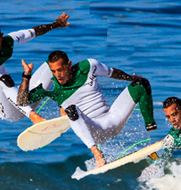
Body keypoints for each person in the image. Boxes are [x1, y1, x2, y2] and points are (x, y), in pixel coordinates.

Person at [16, 50, 156, 167]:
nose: (57, 75)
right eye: (53, 71)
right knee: (71, 109)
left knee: (141, 84)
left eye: (60, 70)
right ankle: (98, 155)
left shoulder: (89, 66)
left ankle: (153, 134)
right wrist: (26, 76)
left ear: (69, 65)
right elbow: (21, 102)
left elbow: (111, 72)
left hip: (113, 117)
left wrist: (130, 79)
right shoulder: (53, 90)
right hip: (94, 129)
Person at [0, 0, 69, 123]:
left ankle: (65, 108)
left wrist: (56, 24)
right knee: (4, 80)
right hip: (6, 110)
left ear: (1, 37)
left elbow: (34, 32)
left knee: (56, 63)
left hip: (23, 99)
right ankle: (35, 117)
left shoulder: (8, 41)